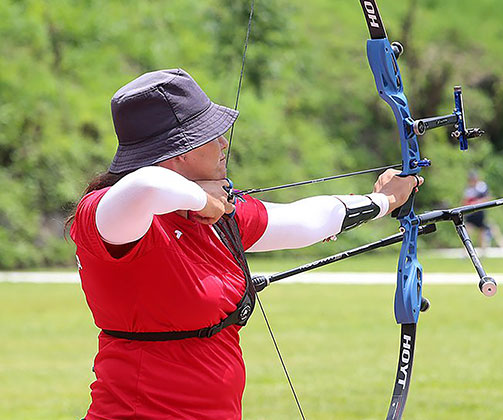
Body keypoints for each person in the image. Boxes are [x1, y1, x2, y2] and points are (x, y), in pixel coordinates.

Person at [66, 68, 421, 420]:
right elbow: (146, 186)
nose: (224, 143)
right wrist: (201, 201)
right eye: (209, 135)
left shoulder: (217, 218)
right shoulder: (106, 216)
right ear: (178, 151)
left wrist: (383, 202)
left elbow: (304, 222)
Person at [461, 170, 491, 247]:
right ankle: (466, 250)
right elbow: (464, 201)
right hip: (470, 212)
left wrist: (477, 202)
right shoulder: (468, 189)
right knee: (467, 231)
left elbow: (487, 198)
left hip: (479, 212)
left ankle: (483, 249)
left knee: (481, 231)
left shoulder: (482, 186)